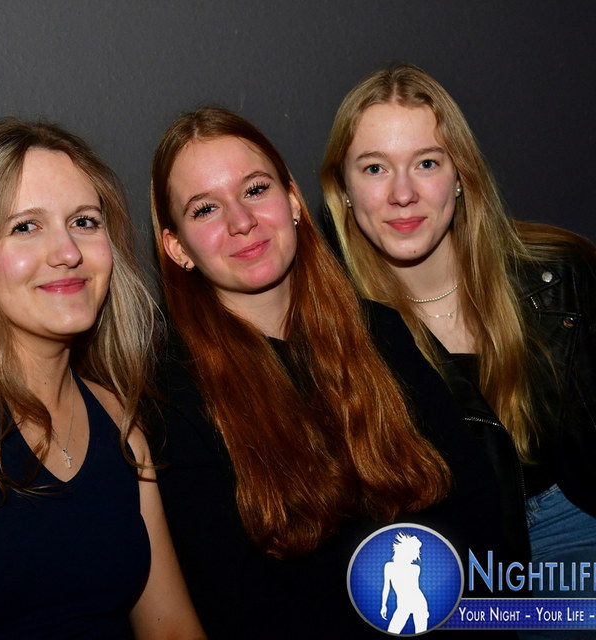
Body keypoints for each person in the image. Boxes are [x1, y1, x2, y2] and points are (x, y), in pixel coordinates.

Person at [149, 107, 513, 639]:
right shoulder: (173, 396)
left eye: (255, 189)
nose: (241, 221)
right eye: (205, 209)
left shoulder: (381, 332)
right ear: (177, 247)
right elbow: (241, 608)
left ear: (293, 200)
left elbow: (476, 513)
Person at [321, 62, 596, 630]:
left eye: (427, 163)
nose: (402, 194)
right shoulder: (335, 330)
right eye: (374, 168)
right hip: (451, 561)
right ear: (343, 190)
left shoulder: (558, 278)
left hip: (576, 527)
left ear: (461, 175)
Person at [0, 118, 206, 639]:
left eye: (85, 222)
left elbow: (171, 628)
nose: (68, 252)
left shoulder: (119, 418)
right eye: (25, 227)